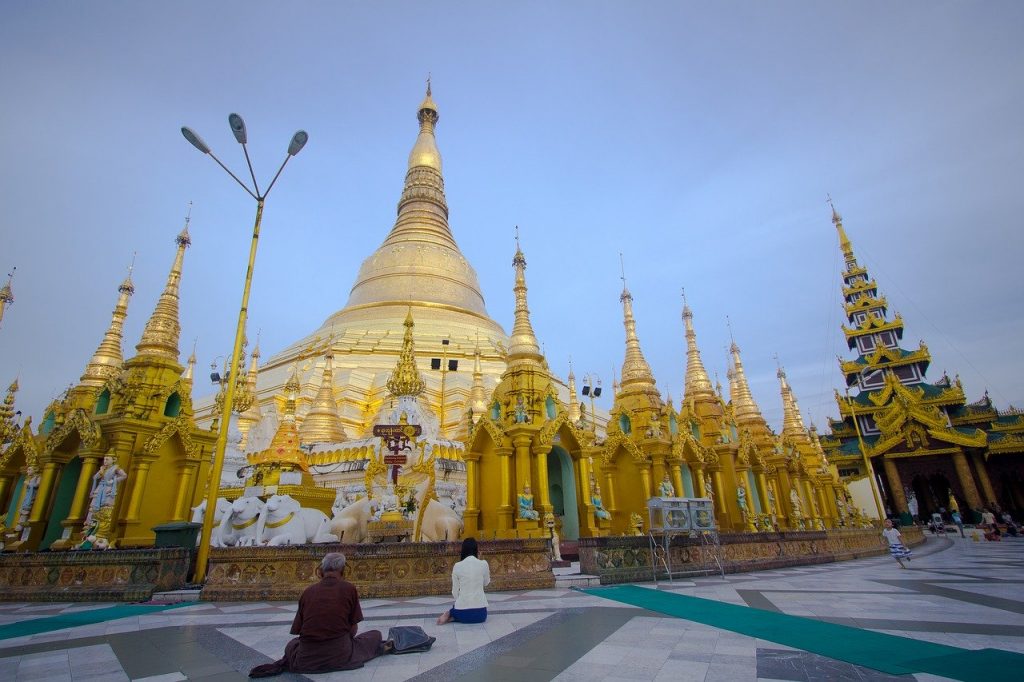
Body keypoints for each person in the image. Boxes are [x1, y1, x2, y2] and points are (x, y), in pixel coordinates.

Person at [248, 553, 384, 677]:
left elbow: (298, 630)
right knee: (375, 635)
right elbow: (353, 629)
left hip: (306, 657)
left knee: (292, 644)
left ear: (320, 571)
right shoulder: (349, 588)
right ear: (343, 571)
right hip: (340, 653)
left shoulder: (308, 592)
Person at [437, 538, 490, 625]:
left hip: (462, 613)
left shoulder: (457, 566)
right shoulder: (484, 564)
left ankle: (451, 614)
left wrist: (461, 602)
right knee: (470, 611)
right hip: (480, 615)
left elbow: (454, 592)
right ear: (477, 549)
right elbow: (486, 583)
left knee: (456, 609)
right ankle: (453, 616)